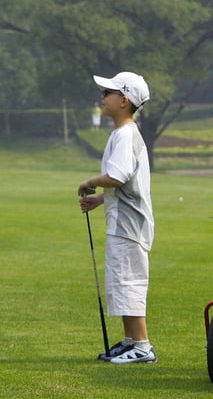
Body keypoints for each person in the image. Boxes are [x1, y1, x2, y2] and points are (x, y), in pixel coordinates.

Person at [78, 71, 155, 364]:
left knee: (129, 281)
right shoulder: (122, 133)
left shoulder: (125, 135)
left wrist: (90, 182)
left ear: (124, 100)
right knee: (120, 281)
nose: (102, 96)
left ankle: (143, 346)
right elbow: (126, 183)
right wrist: (99, 199)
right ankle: (130, 341)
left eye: (108, 92)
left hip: (129, 226)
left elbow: (118, 176)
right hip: (124, 221)